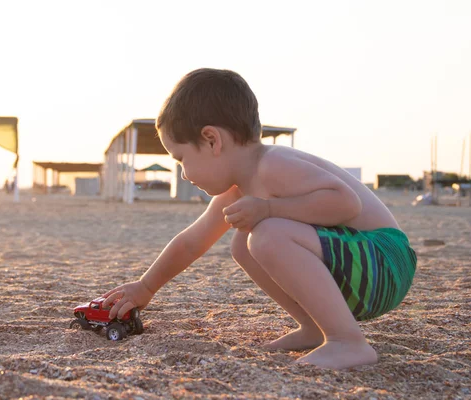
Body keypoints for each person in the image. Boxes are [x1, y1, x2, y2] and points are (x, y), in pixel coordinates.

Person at [101, 68, 417, 370]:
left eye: (182, 159)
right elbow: (193, 241)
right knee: (243, 242)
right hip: (363, 267)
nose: (184, 173)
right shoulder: (240, 188)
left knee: (266, 235)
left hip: (385, 263)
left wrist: (268, 210)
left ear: (212, 140)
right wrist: (146, 286)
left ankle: (347, 341)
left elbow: (346, 203)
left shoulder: (273, 164)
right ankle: (314, 327)